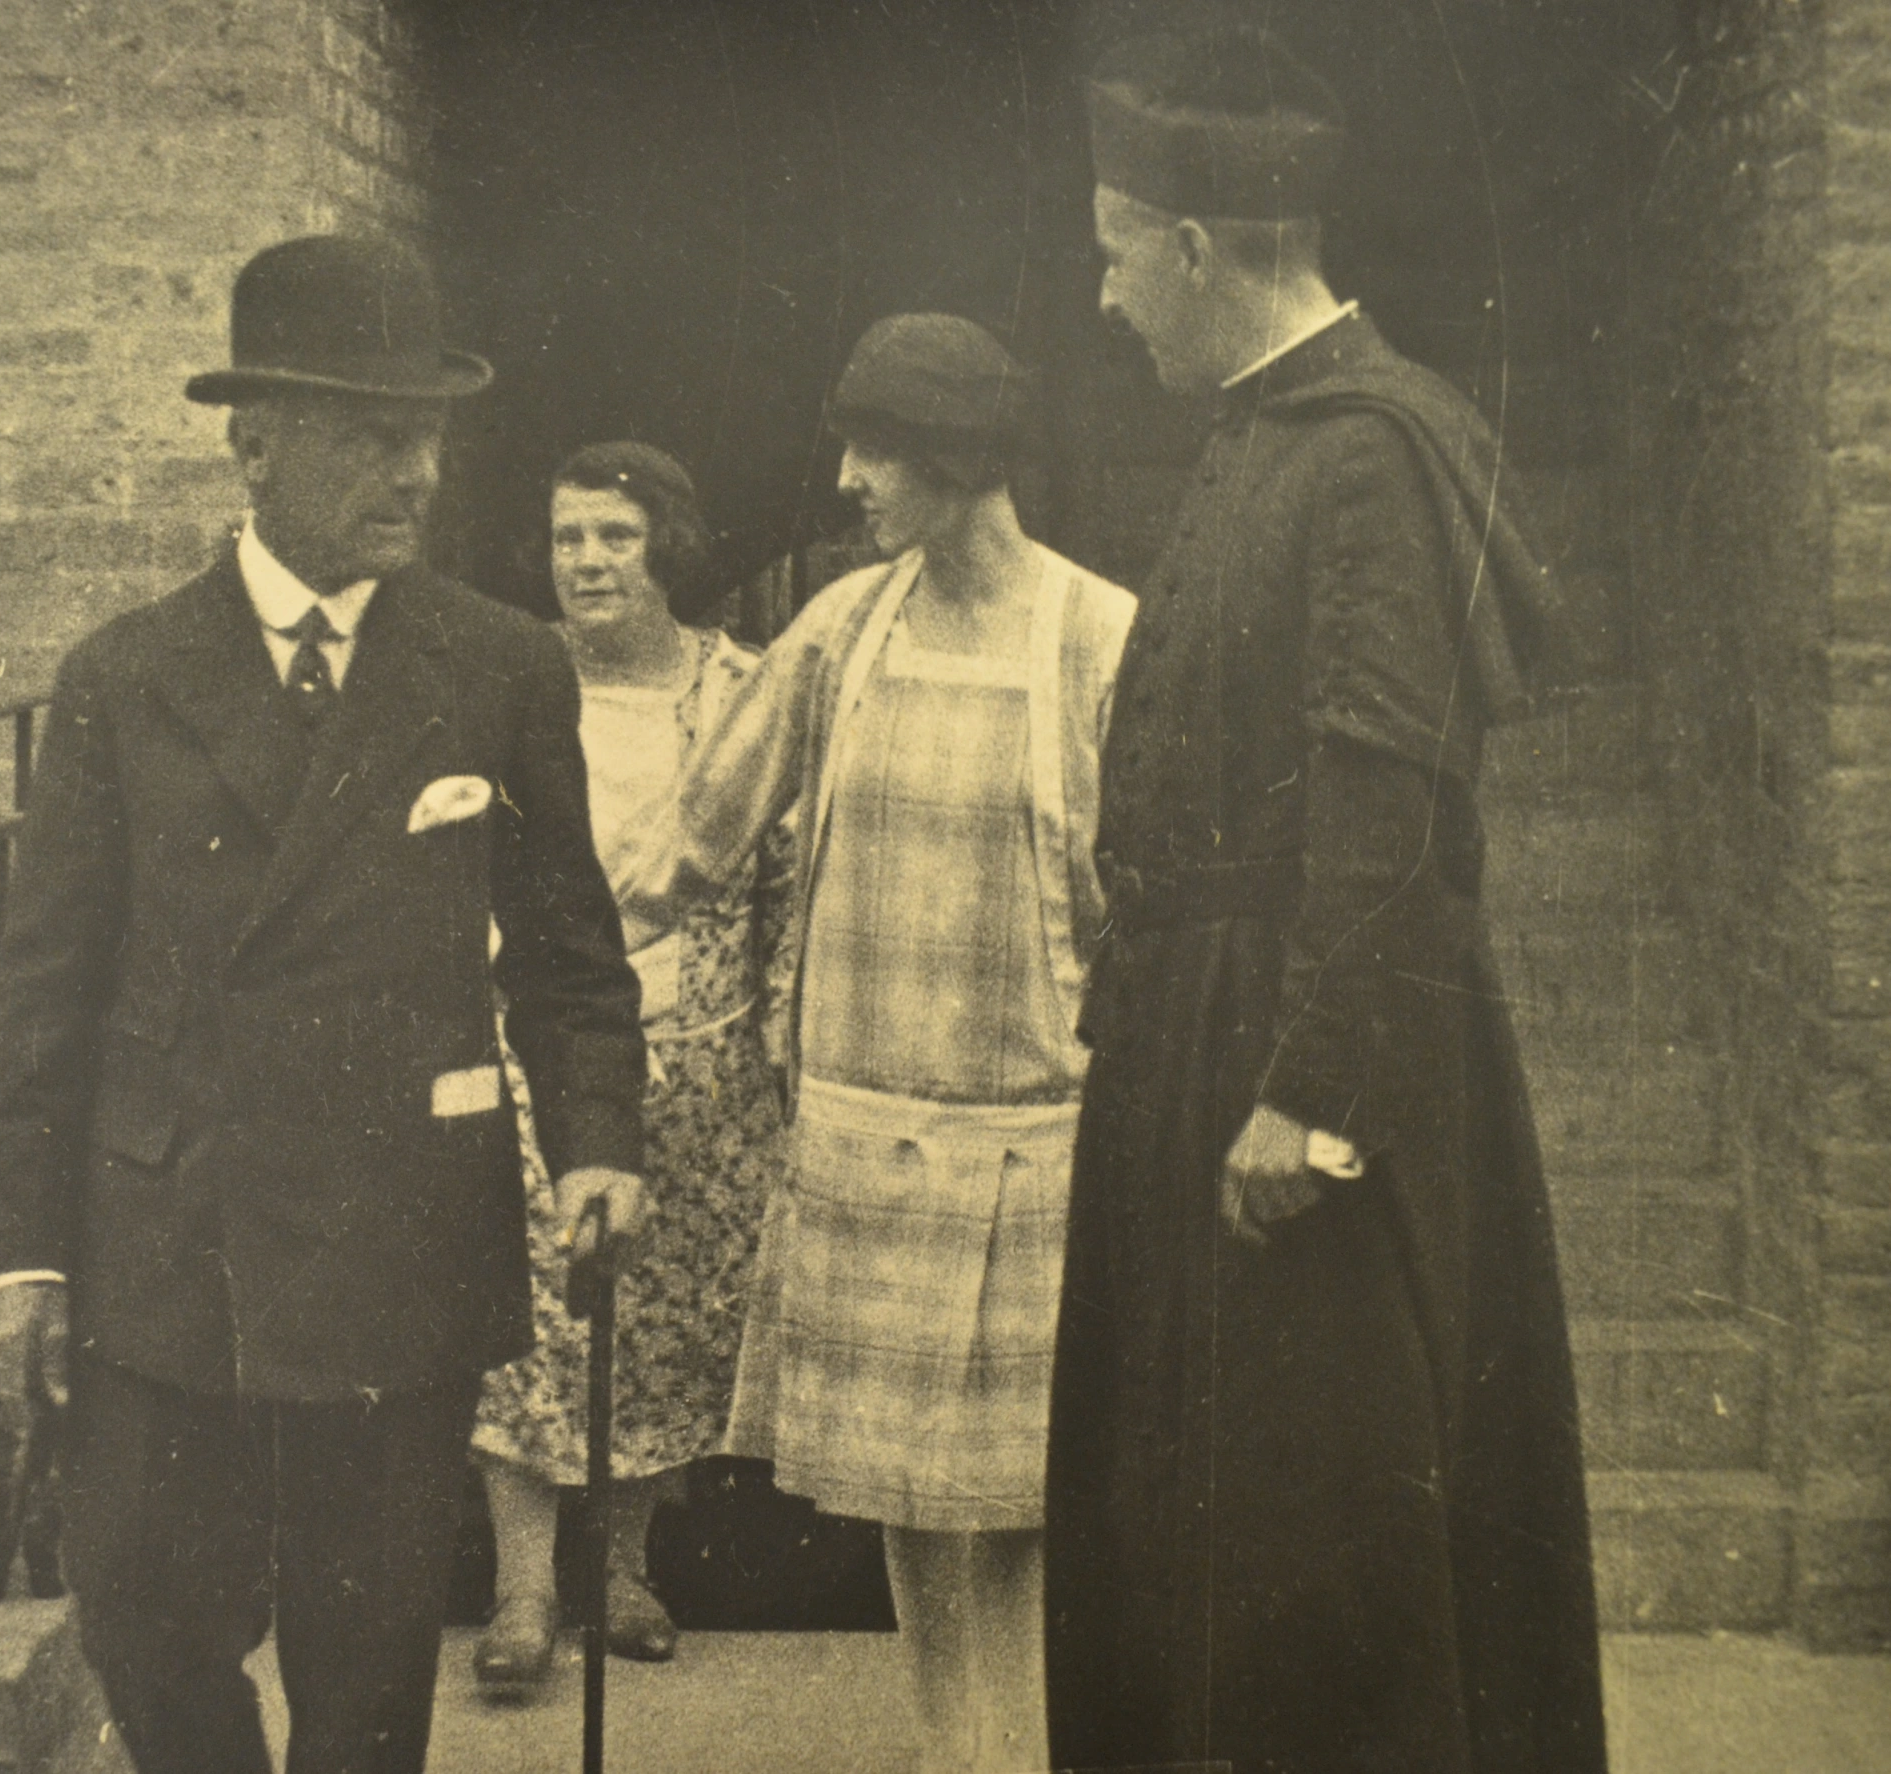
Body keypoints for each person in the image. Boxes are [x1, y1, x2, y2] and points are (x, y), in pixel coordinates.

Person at [0, 233, 650, 1774]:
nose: (413, 473)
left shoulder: (495, 667)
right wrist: (20, 1257)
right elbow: (41, 999)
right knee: (138, 1608)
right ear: (256, 441)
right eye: (368, 434)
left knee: (363, 1670)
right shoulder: (125, 676)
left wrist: (603, 1133)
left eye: (425, 436)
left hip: (392, 1228)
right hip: (166, 1234)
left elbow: (566, 953)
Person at [1042, 27, 1608, 1774]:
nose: (1113, 298)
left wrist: (1314, 1096)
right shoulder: (1265, 428)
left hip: (1296, 1091)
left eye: (1119, 256)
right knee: (1193, 1546)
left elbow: (1389, 811)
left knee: (1319, 1566)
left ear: (1198, 250)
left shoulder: (1363, 449)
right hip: (1196, 1045)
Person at [617, 315, 1137, 1774]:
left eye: (876, 450)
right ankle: (945, 1742)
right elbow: (692, 842)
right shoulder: (844, 627)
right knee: (910, 1493)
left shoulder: (1099, 634)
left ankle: (1013, 1748)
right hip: (861, 1120)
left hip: (1036, 1127)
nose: (846, 478)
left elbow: (1157, 899)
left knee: (1021, 1489)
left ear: (958, 461)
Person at [467, 441, 796, 1692]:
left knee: (659, 1317)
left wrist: (772, 1040)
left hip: (694, 1058)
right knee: (526, 1320)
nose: (589, 561)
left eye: (615, 535)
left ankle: (620, 1569)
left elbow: (777, 873)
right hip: (525, 1050)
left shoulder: (742, 691)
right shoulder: (507, 678)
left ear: (668, 544)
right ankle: (520, 1590)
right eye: (567, 539)